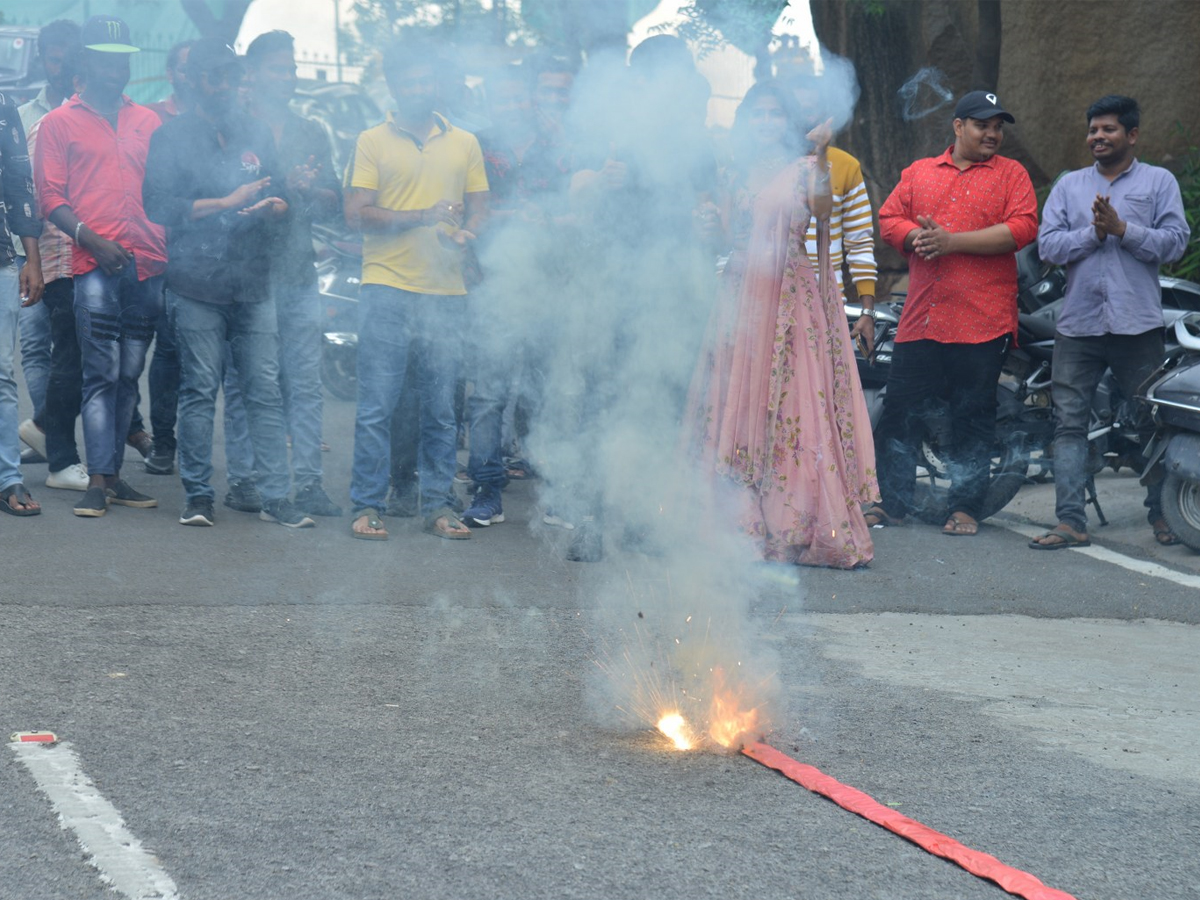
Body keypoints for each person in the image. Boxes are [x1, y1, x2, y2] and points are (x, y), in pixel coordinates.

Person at [684, 80, 877, 568]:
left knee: (794, 404)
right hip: (740, 293)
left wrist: (822, 153)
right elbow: (726, 238)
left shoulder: (810, 167)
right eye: (758, 114)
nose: (766, 122)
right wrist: (705, 227)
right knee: (737, 404)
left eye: (775, 114)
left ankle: (797, 522)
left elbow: (824, 215)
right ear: (746, 121)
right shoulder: (733, 173)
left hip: (790, 295)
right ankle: (738, 521)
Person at [142, 38, 314, 529]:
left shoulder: (256, 131)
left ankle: (276, 498)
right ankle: (198, 496)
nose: (227, 86)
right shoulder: (171, 136)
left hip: (254, 281)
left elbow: (279, 192)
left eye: (232, 78)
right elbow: (157, 204)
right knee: (198, 390)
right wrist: (226, 202)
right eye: (217, 77)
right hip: (196, 282)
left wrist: (276, 205)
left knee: (263, 390)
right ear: (195, 81)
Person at [871, 90, 1038, 536]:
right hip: (922, 317)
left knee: (973, 415)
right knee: (899, 413)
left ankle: (964, 509)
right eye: (984, 124)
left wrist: (951, 242)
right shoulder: (919, 172)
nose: (993, 134)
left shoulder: (1011, 174)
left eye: (999, 126)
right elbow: (889, 219)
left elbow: (1022, 228)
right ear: (959, 126)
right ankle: (893, 505)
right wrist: (913, 239)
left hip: (982, 319)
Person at [1029, 95, 1190, 550]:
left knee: (1150, 423)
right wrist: (1094, 233)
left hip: (1136, 326)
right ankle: (1070, 521)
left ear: (1132, 135)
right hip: (1078, 326)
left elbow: (1176, 243)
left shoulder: (1159, 182)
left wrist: (1124, 230)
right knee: (1069, 424)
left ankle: (1163, 515)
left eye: (1108, 129)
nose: (1097, 137)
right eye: (1093, 130)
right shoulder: (1069, 186)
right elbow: (1049, 248)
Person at [344, 40, 489, 542]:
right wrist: (423, 217)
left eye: (426, 80)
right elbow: (357, 213)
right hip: (386, 286)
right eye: (409, 80)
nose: (418, 88)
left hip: (446, 292)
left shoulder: (464, 142)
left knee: (441, 409)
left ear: (437, 84)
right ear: (394, 85)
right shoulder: (371, 139)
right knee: (377, 406)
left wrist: (469, 231)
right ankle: (366, 505)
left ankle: (440, 507)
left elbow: (480, 204)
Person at [35, 15, 167, 518]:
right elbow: (50, 196)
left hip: (147, 263)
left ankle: (113, 476)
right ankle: (96, 479)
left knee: (130, 375)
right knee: (99, 373)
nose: (117, 68)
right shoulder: (58, 122)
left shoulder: (149, 122)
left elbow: (164, 190)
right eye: (106, 58)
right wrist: (92, 237)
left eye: (123, 58)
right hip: (93, 263)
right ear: (86, 62)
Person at [219, 30, 343, 518]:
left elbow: (334, 203)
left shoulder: (310, 130)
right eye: (277, 68)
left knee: (305, 381)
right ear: (252, 73)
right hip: (248, 274)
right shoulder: (232, 128)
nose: (287, 76)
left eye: (291, 68)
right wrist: (281, 185)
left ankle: (310, 483)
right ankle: (245, 480)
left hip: (297, 271)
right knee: (252, 379)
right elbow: (224, 198)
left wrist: (310, 191)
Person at [461, 58, 575, 529]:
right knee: (488, 395)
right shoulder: (475, 148)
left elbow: (582, 211)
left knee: (548, 393)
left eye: (518, 95)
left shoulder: (561, 147)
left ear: (533, 96)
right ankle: (486, 490)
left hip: (550, 285)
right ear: (490, 101)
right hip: (494, 286)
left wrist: (547, 220)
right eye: (501, 97)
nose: (512, 104)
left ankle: (555, 495)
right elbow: (467, 215)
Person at [15, 19, 89, 492]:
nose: (58, 66)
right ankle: (53, 440)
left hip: (79, 251)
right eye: (52, 56)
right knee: (38, 348)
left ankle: (46, 429)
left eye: (67, 56)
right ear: (42, 58)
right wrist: (25, 256)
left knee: (75, 350)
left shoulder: (92, 111)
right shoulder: (24, 115)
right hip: (33, 251)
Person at [788, 74, 879, 353]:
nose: (805, 117)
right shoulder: (767, 164)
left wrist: (867, 311)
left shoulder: (846, 165)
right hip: (771, 302)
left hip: (825, 302)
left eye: (812, 109)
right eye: (795, 108)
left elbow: (859, 240)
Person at [139, 39, 196, 477]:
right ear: (173, 73)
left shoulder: (225, 122)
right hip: (161, 250)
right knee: (168, 351)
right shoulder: (153, 119)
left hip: (213, 254)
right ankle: (163, 441)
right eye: (188, 66)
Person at [0, 87, 46, 515]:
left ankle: (8, 477)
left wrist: (32, 259)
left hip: (0, 258)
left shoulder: (1, 105)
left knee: (0, 375)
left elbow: (18, 183)